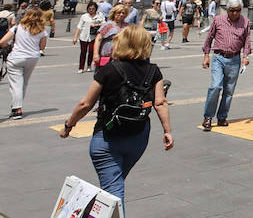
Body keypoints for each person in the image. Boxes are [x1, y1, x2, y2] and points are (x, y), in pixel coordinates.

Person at [59, 25, 173, 203]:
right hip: (138, 137)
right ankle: (98, 217)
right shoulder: (154, 71)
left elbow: (85, 104)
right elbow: (160, 103)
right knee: (113, 186)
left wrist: (68, 125)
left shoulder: (109, 69)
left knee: (113, 191)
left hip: (107, 137)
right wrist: (167, 131)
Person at [201, 0, 252, 130]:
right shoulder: (218, 20)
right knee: (215, 86)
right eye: (232, 10)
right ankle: (208, 117)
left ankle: (222, 117)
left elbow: (247, 40)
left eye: (238, 10)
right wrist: (206, 56)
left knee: (229, 90)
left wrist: (245, 57)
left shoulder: (245, 21)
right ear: (227, 10)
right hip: (219, 57)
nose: (235, 13)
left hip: (234, 59)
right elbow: (209, 37)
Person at [0, 5, 47, 119]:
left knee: (16, 84)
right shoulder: (42, 31)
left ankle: (17, 109)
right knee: (24, 83)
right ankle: (17, 106)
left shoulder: (17, 28)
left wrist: (9, 47)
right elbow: (42, 47)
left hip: (16, 57)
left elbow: (2, 42)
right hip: (32, 58)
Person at [74, 1, 102, 72]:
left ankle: (89, 65)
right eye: (89, 9)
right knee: (83, 52)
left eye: (93, 9)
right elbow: (79, 27)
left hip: (93, 37)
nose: (91, 10)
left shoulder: (99, 16)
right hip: (84, 36)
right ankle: (81, 67)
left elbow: (104, 24)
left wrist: (96, 24)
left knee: (91, 51)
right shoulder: (84, 16)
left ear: (96, 9)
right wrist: (75, 37)